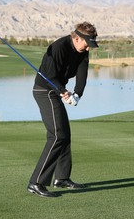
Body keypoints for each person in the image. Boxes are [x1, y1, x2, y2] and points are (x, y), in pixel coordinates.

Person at [27, 22, 98, 198]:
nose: (88, 48)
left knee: (65, 134)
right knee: (57, 135)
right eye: (86, 44)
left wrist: (77, 94)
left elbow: (82, 74)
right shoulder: (58, 47)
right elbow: (49, 75)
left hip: (57, 90)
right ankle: (36, 182)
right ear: (76, 38)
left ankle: (62, 178)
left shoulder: (82, 52)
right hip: (44, 91)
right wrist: (63, 91)